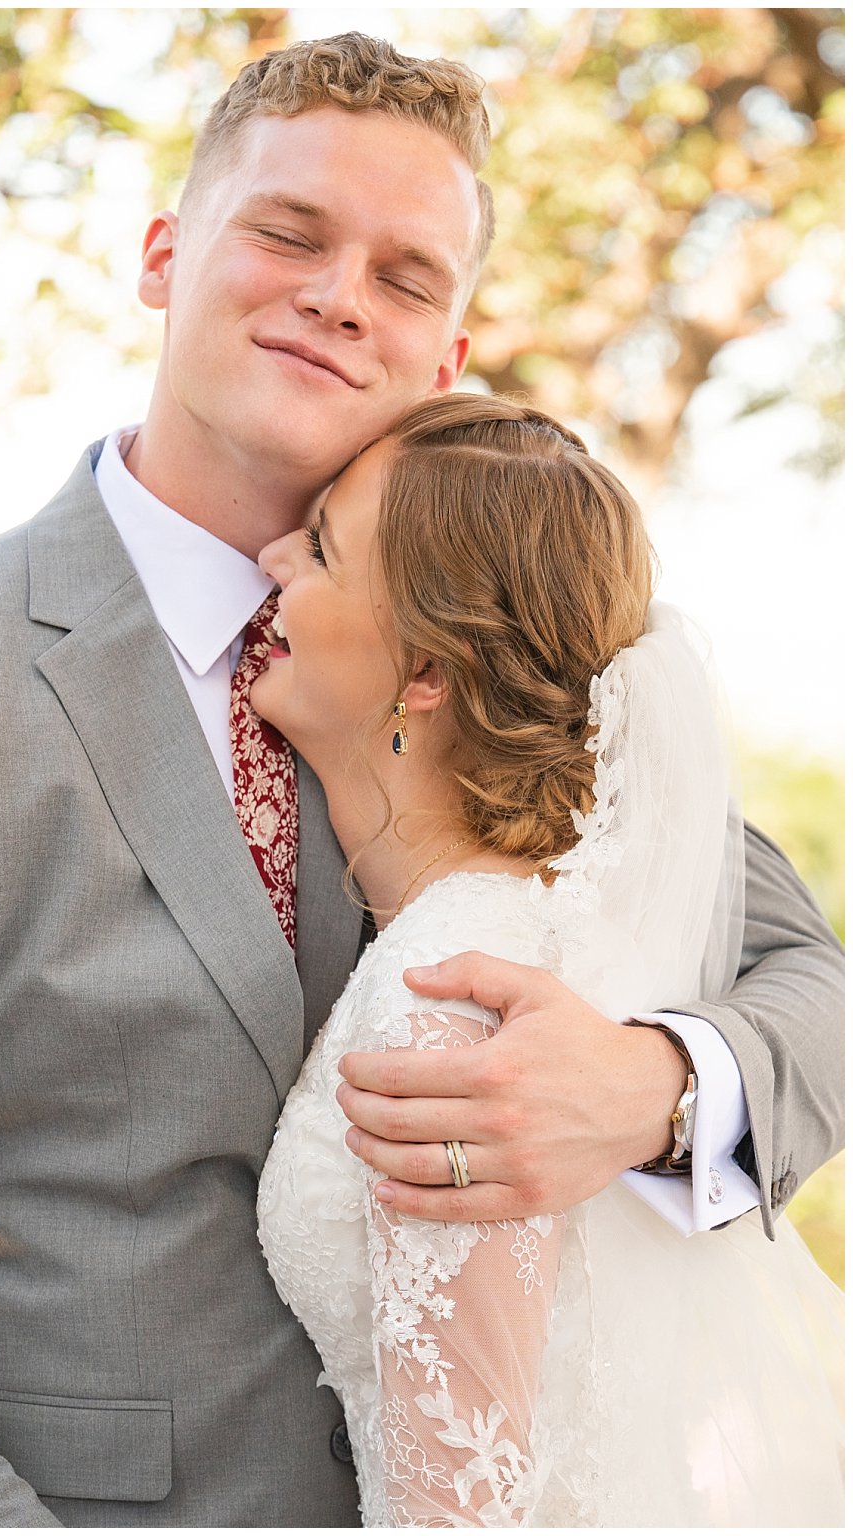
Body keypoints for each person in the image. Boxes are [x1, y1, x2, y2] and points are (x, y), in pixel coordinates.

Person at [0, 33, 844, 1527]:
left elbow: (811, 976)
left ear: (448, 347)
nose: (338, 296)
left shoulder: (499, 646)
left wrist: (646, 1090)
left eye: (407, 275)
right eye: (289, 234)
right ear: (168, 254)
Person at [249, 393, 843, 1525]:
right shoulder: (542, 928)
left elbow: (463, 1498)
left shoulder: (455, 1002)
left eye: (321, 545)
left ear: (423, 673)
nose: (274, 556)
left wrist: (666, 1085)